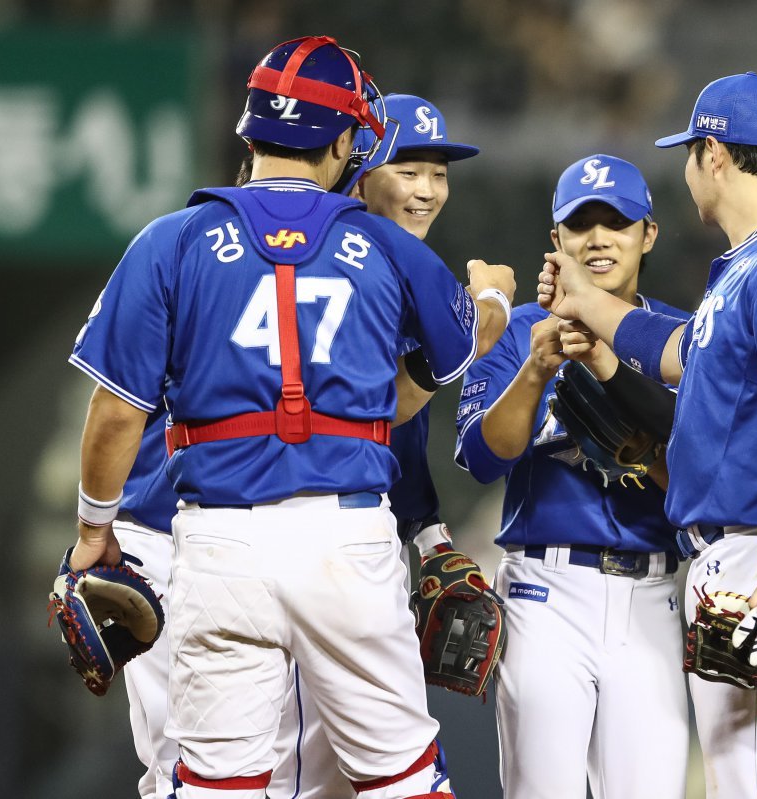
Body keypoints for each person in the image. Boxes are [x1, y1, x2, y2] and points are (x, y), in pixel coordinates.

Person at [67, 35, 514, 799]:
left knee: (217, 783)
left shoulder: (171, 241)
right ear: (344, 141)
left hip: (218, 540)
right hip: (346, 538)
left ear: (250, 132)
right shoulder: (384, 243)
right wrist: (496, 303)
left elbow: (113, 415)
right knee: (404, 778)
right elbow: (437, 366)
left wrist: (91, 533)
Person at [536, 73, 757, 798]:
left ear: (713, 154)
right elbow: (685, 352)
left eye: (690, 152)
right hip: (753, 549)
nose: (688, 167)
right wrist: (586, 301)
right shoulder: (755, 264)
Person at [454, 154, 691, 798]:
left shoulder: (678, 338)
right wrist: (535, 370)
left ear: (648, 234)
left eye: (615, 223)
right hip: (545, 592)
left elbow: (702, 478)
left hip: (653, 593)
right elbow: (481, 459)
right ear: (556, 240)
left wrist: (621, 380)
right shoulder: (521, 330)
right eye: (580, 225)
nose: (597, 239)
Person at [270, 92, 485, 799]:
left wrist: (427, 532)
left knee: (344, 774)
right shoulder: (335, 263)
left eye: (439, 173)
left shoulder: (395, 268)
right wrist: (489, 314)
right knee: (306, 772)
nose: (426, 189)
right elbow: (380, 410)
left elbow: (403, 435)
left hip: (349, 540)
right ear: (359, 170)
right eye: (407, 168)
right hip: (302, 533)